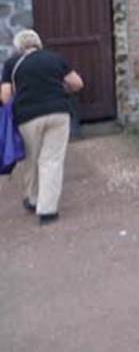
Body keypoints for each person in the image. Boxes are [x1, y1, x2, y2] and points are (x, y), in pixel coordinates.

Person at [0, 29, 84, 225]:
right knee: (51, 160)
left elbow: (4, 96)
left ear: (18, 46)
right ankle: (47, 211)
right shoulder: (55, 58)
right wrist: (60, 88)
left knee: (32, 157)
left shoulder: (12, 64)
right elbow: (77, 83)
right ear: (38, 43)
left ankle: (32, 198)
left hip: (27, 117)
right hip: (58, 112)